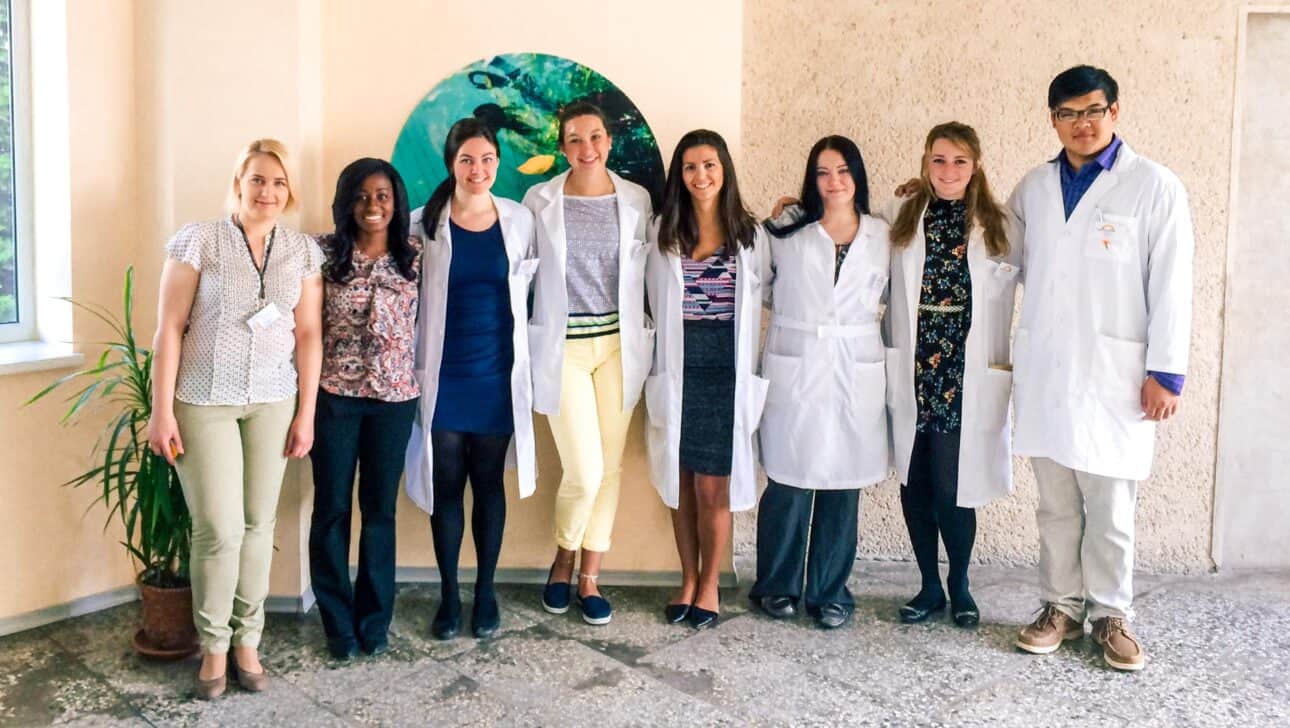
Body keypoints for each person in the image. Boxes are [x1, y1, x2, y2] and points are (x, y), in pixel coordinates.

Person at [1010, 65, 1193, 672]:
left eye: (1093, 110)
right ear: (1052, 120)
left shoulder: (1153, 187)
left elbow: (1171, 284)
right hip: (1048, 367)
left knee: (1112, 505)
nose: (1081, 124)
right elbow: (993, 248)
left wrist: (1166, 372)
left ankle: (1111, 614)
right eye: (1068, 113)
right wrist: (929, 200)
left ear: (1115, 111)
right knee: (1056, 503)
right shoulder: (1034, 187)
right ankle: (1058, 606)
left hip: (1119, 373)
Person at [147, 139, 323, 698]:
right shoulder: (199, 240)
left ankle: (249, 641)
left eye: (277, 182)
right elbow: (169, 328)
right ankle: (214, 648)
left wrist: (307, 414)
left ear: (288, 190)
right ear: (238, 184)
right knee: (218, 529)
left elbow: (309, 334)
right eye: (257, 180)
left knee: (258, 524)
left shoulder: (300, 252)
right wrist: (160, 413)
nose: (266, 192)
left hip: (274, 400)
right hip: (203, 401)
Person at [880, 122, 1021, 629]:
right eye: (939, 160)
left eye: (959, 161)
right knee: (915, 482)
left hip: (966, 374)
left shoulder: (1001, 223)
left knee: (953, 486)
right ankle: (928, 587)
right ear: (925, 162)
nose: (948, 171)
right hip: (914, 368)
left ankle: (960, 584)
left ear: (976, 165)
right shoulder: (900, 213)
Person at [404, 118, 539, 640]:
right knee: (446, 487)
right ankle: (448, 596)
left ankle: (485, 593)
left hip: (497, 379)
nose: (477, 169)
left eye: (486, 160)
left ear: (498, 164)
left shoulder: (520, 220)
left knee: (488, 486)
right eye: (466, 160)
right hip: (442, 375)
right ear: (451, 165)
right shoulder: (423, 224)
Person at [749, 135, 891, 629]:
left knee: (843, 483)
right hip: (798, 360)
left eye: (843, 171)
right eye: (823, 173)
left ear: (858, 176)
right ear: (811, 180)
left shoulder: (881, 234)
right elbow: (760, 287)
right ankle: (776, 584)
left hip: (855, 363)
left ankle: (830, 591)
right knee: (789, 480)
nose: (833, 183)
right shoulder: (786, 228)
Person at [523, 101, 653, 626]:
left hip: (619, 347)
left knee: (613, 467)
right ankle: (562, 556)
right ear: (562, 147)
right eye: (575, 139)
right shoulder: (540, 200)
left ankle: (589, 575)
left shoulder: (637, 199)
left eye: (595, 137)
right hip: (564, 349)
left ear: (609, 141)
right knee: (586, 468)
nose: (587, 148)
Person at [644, 130, 769, 629]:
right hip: (678, 366)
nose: (701, 176)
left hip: (726, 370)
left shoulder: (752, 236)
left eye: (710, 165)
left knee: (713, 485)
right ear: (680, 175)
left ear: (725, 171)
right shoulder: (662, 233)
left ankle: (712, 581)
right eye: (691, 167)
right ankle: (688, 579)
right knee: (682, 483)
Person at [309, 158, 420, 660]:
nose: (371, 206)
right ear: (346, 202)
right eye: (360, 196)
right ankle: (338, 622)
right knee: (331, 510)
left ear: (396, 202)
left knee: (379, 512)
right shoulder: (322, 253)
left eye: (381, 195)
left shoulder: (417, 256)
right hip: (334, 399)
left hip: (394, 401)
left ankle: (374, 621)